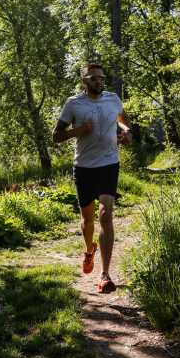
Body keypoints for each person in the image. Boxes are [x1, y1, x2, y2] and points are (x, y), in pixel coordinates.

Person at [52, 64, 132, 293]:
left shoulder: (113, 99)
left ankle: (105, 274)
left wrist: (128, 131)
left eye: (102, 77)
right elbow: (56, 136)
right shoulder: (74, 103)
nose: (99, 81)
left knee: (105, 215)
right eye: (94, 77)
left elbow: (123, 117)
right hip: (84, 167)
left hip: (109, 164)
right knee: (87, 222)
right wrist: (79, 130)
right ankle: (89, 250)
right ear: (85, 80)